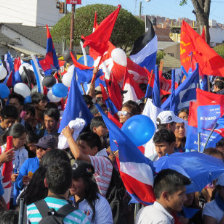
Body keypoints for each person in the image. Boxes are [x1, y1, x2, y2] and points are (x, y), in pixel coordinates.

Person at [62, 128, 113, 198]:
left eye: (83, 147)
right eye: (78, 147)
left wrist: (69, 136)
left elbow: (78, 155)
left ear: (95, 149)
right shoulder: (88, 162)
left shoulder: (103, 160)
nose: (79, 150)